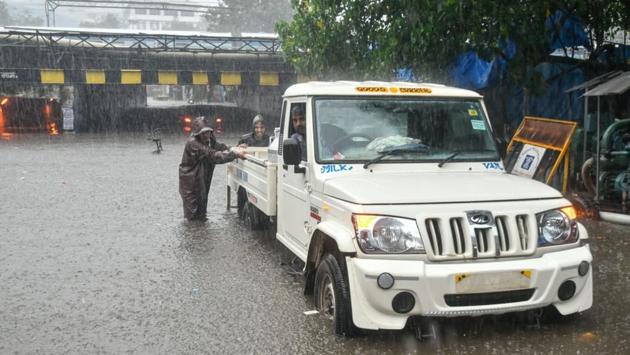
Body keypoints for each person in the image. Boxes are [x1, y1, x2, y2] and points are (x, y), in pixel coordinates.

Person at [179, 117, 245, 221]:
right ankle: (193, 232)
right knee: (193, 212)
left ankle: (200, 230)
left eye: (209, 132)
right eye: (204, 133)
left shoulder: (209, 139)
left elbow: (219, 146)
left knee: (202, 207)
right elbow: (213, 155)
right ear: (197, 133)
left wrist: (233, 148)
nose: (207, 135)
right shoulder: (193, 143)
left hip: (202, 179)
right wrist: (235, 155)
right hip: (190, 183)